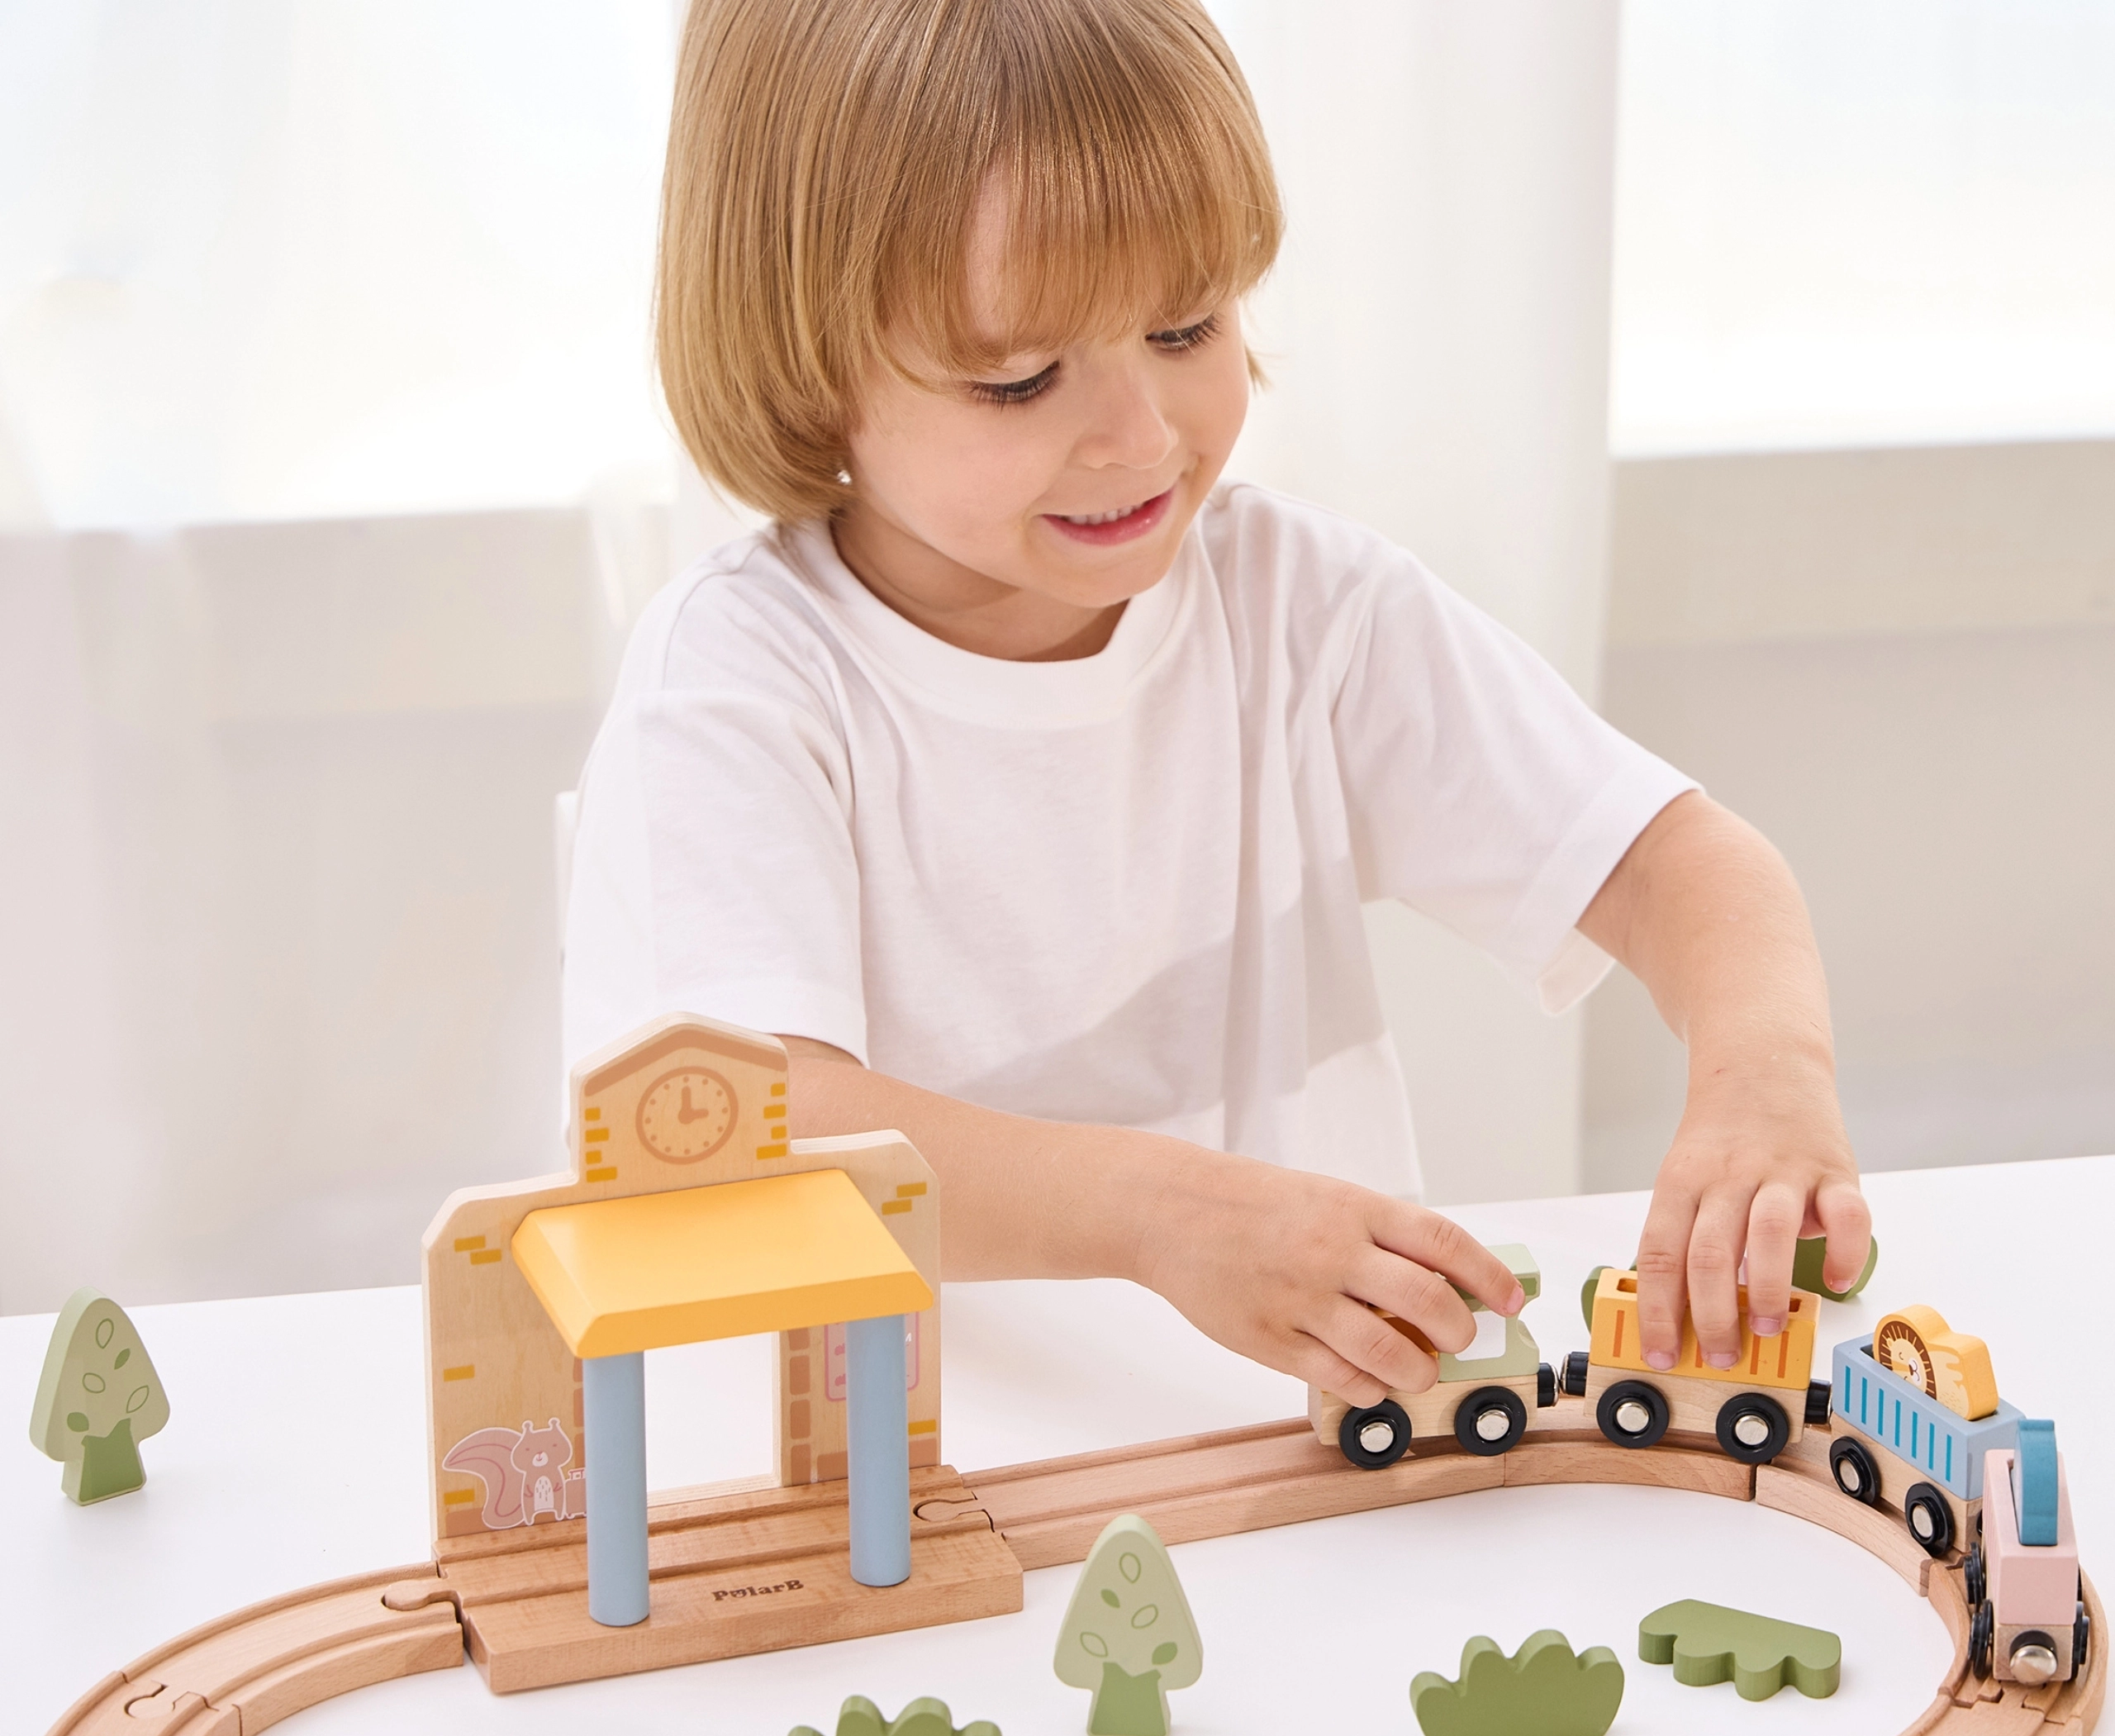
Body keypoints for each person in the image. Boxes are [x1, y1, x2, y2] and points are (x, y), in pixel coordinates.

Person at [564, 0, 1870, 1415]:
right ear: (812, 373)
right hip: (920, 1484)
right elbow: (730, 1135)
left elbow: (1678, 861)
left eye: (1187, 325)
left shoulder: (1302, 611)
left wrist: (1767, 1073)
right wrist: (1160, 1214)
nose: (1141, 435)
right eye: (1020, 380)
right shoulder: (742, 678)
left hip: (1310, 1460)